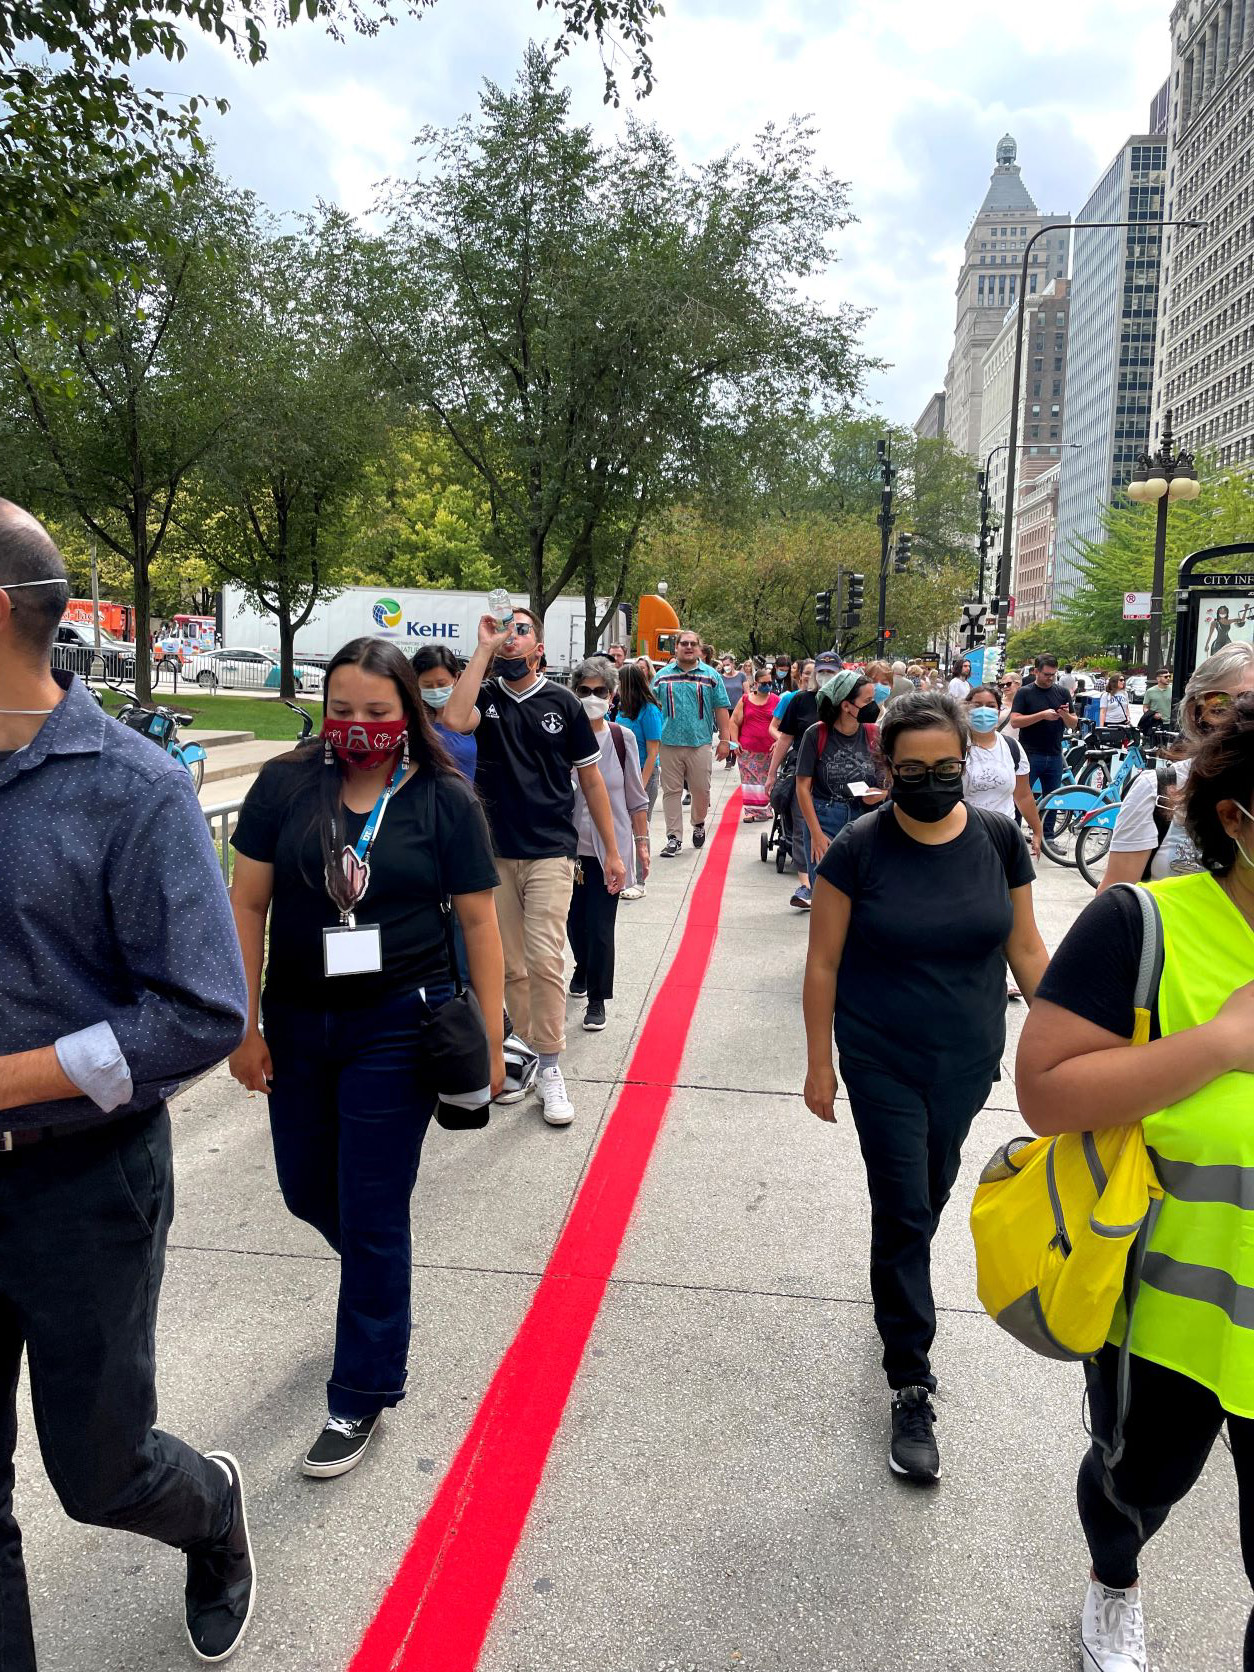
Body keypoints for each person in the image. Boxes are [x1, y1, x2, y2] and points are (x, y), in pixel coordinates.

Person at [0, 502, 256, 1665]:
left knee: (97, 1473)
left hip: (83, 1188)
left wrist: (12, 1080)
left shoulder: (134, 788)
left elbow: (203, 1007)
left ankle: (207, 1510)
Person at [1016, 696, 1254, 1672]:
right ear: (1235, 816)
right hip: (1168, 1311)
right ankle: (1115, 1580)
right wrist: (1221, 1045)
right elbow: (1045, 1089)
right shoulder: (1143, 924)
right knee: (1134, 1488)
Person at [229, 637, 504, 1478]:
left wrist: (493, 1041)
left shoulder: (444, 800)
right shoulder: (285, 785)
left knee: (375, 1207)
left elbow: (480, 924)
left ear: (409, 715)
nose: (358, 727)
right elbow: (246, 903)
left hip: (399, 1025)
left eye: (378, 713)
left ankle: (363, 1390)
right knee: (307, 1188)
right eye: (342, 710)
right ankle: (380, 1292)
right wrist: (244, 1027)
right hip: (301, 1021)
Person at [802, 690, 1048, 1483]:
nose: (934, 780)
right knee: (905, 1204)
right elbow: (824, 963)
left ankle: (895, 1274)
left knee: (929, 1195)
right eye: (915, 769)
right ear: (889, 768)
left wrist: (1081, 1031)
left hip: (968, 1056)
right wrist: (819, 1061)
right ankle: (910, 1377)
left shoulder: (1000, 841)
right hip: (880, 1056)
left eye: (947, 767)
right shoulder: (858, 850)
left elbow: (1028, 951)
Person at [442, 608, 626, 1126]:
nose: (512, 637)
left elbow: (591, 783)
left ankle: (549, 1065)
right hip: (493, 852)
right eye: (506, 630)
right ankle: (520, 1054)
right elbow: (453, 720)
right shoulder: (485, 695)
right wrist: (482, 648)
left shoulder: (563, 703)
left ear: (540, 647)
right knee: (510, 967)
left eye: (522, 629)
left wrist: (612, 852)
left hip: (550, 850)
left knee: (546, 959)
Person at [1099, 643, 1254, 891]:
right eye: (1220, 704)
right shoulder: (1157, 789)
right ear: (1195, 711)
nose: (1235, 717)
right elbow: (1114, 896)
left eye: (1250, 704)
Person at [566, 658, 650, 1030]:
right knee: (571, 923)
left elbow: (636, 796)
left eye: (600, 691)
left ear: (613, 695)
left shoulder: (621, 738)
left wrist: (642, 843)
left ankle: (597, 998)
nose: (592, 697)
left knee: (600, 926)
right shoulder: (561, 737)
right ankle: (582, 965)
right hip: (566, 849)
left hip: (609, 850)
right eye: (584, 691)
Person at [964, 685, 1045, 997]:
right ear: (966, 707)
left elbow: (1023, 794)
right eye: (977, 704)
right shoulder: (958, 746)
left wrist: (1037, 831)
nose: (984, 710)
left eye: (990, 704)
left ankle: (999, 972)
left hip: (1004, 836)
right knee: (973, 907)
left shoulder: (1011, 747)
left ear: (1000, 709)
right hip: (966, 837)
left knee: (1005, 907)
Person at [791, 669, 887, 910]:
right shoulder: (817, 734)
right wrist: (815, 834)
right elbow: (802, 788)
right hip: (825, 817)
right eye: (867, 701)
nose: (873, 707)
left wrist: (881, 795)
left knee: (862, 895)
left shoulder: (873, 734)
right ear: (846, 705)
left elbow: (889, 779)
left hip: (865, 821)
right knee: (826, 896)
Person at [654, 629, 731, 857]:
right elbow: (652, 705)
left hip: (700, 743)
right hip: (669, 743)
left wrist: (725, 741)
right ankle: (673, 838)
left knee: (701, 790)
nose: (688, 647)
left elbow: (721, 708)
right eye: (684, 643)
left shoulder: (710, 676)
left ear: (699, 648)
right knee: (671, 792)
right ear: (676, 647)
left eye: (693, 644)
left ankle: (698, 823)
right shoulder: (662, 676)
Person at [1011, 653, 1078, 836]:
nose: (1050, 678)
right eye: (1046, 674)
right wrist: (1042, 715)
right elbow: (1015, 721)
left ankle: (1047, 837)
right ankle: (1015, 835)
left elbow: (1073, 723)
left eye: (1053, 675)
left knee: (1052, 799)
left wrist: (1064, 715)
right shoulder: (1025, 692)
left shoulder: (1062, 692)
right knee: (1020, 797)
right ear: (1036, 672)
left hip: (1055, 753)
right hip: (1030, 753)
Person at [615, 660, 663, 897]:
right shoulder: (622, 708)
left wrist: (640, 786)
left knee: (640, 828)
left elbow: (653, 751)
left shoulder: (650, 710)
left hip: (644, 775)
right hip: (622, 774)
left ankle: (640, 882)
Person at [411, 644, 477, 779]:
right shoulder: (414, 718)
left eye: (441, 684)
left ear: (456, 678)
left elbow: (454, 721)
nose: (435, 690)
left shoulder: (470, 712)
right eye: (427, 685)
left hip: (462, 797)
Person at [730, 663, 779, 823]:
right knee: (749, 782)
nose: (767, 686)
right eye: (764, 684)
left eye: (770, 683)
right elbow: (734, 721)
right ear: (756, 684)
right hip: (747, 749)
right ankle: (750, 811)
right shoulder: (745, 700)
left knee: (767, 780)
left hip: (769, 750)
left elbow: (783, 725)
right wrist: (735, 742)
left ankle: (766, 809)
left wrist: (779, 741)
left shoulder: (776, 701)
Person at [1141, 667, 1174, 734]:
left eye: (1169, 676)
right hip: (1155, 723)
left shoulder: (1173, 690)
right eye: (1166, 677)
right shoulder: (1150, 691)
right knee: (1155, 742)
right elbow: (1145, 707)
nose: (1168, 678)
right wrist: (1153, 715)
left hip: (1170, 723)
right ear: (1158, 678)